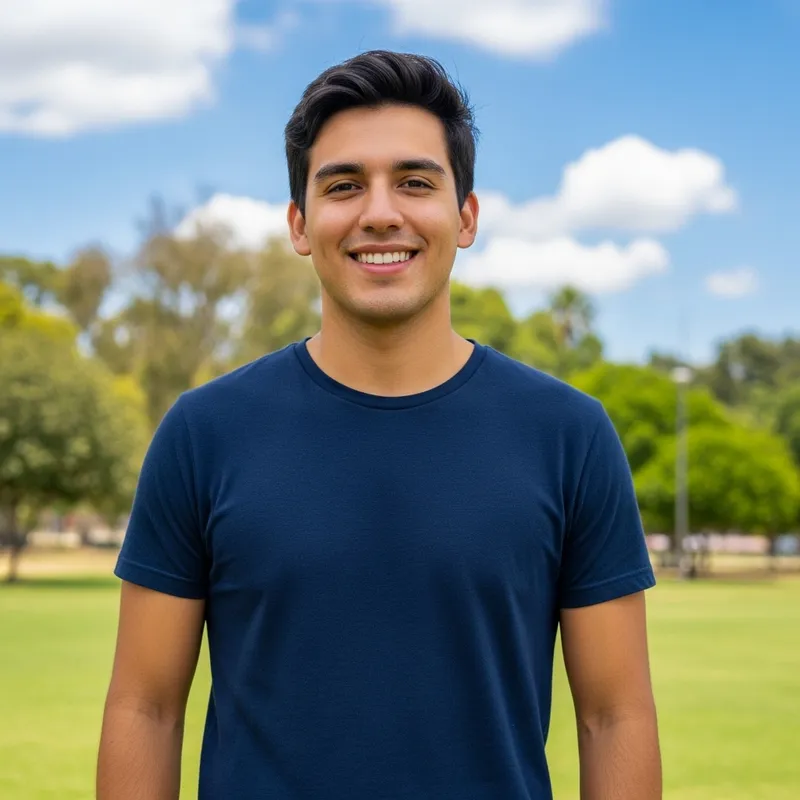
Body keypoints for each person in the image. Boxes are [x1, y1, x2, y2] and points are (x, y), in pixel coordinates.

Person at [97, 50, 662, 799]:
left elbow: (614, 716)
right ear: (301, 224)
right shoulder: (204, 433)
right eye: (343, 186)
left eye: (416, 182)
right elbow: (146, 708)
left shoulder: (569, 435)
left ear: (466, 217)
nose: (381, 212)